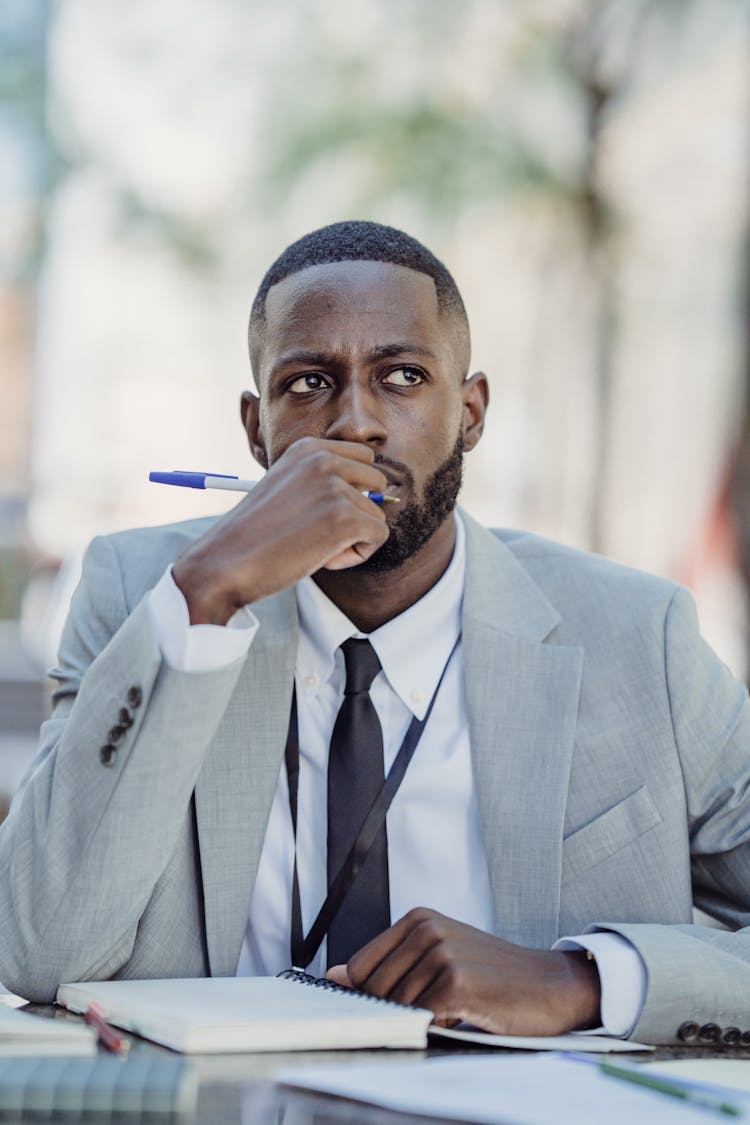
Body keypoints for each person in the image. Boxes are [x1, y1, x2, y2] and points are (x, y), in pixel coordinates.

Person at [2, 221, 750, 1047]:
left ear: (469, 413)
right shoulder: (144, 597)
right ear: (257, 431)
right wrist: (205, 597)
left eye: (402, 376)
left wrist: (581, 978)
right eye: (309, 382)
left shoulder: (643, 637)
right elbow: (39, 948)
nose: (355, 423)